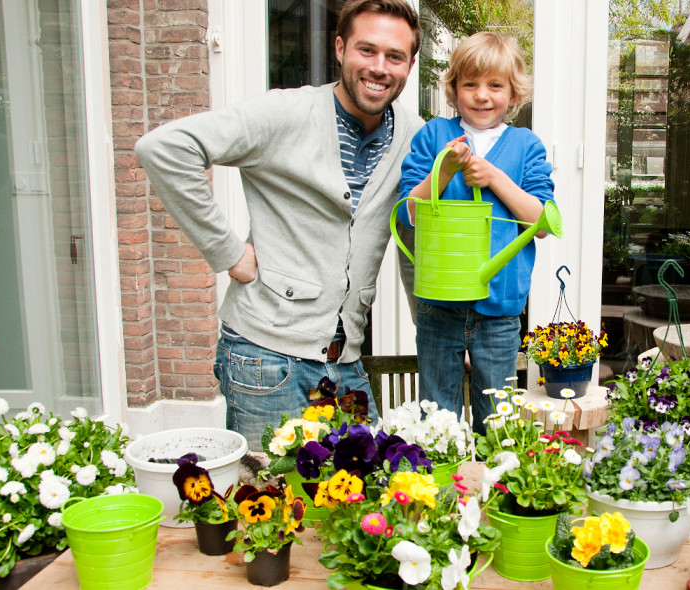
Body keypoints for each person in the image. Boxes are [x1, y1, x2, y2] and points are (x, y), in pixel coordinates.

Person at [135, 0, 423, 451]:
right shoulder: (285, 113)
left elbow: (413, 240)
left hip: (346, 361)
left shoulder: (412, 135)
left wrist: (433, 333)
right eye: (367, 50)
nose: (379, 67)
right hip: (264, 359)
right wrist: (227, 252)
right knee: (271, 507)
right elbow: (164, 149)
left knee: (370, 498)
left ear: (409, 65)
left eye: (395, 56)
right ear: (340, 47)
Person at [397, 31, 555, 434]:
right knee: (437, 418)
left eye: (494, 85)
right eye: (470, 84)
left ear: (513, 93)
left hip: (500, 307)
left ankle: (491, 489)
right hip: (439, 302)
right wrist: (444, 170)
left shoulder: (526, 145)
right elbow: (408, 213)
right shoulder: (433, 137)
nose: (482, 95)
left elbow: (539, 222)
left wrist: (496, 177)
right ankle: (443, 489)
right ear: (454, 89)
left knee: (497, 421)